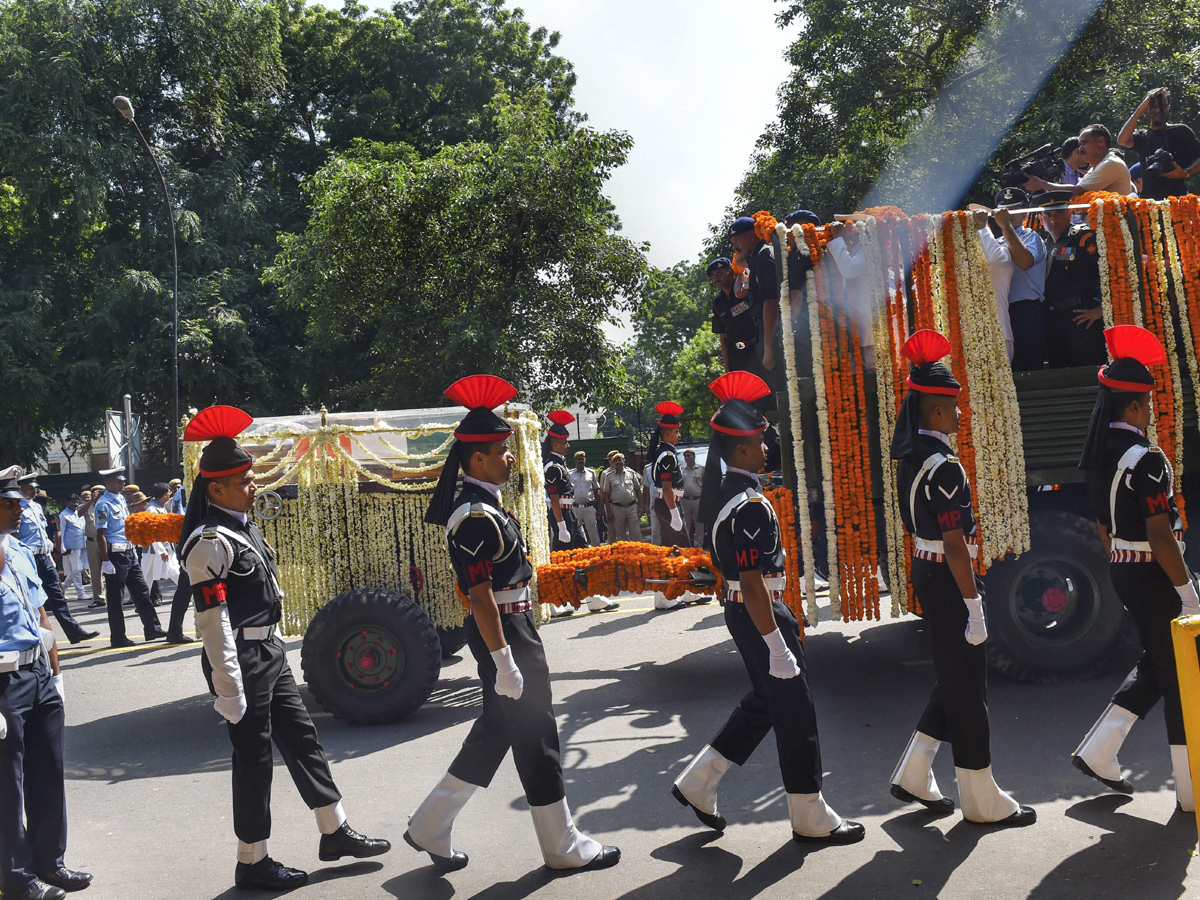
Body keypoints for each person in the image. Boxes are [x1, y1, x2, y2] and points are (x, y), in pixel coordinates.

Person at [410, 376, 619, 874]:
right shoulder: (475, 515)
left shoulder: (484, 506)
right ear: (476, 459)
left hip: (512, 626)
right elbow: (480, 597)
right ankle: (561, 846)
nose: (510, 457)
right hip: (506, 633)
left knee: (500, 731)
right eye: (502, 450)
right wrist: (504, 661)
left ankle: (430, 825)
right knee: (537, 733)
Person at [178, 405, 390, 890]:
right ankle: (252, 861)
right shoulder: (209, 542)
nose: (254, 486)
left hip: (269, 654)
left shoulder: (240, 526)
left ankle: (334, 830)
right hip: (243, 661)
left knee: (303, 741)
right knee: (253, 760)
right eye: (245, 480)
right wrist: (228, 685)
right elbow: (214, 621)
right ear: (216, 489)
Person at [672, 371, 864, 846]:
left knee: (767, 701)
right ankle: (809, 813)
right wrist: (777, 643)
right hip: (759, 612)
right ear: (740, 449)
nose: (765, 447)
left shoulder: (730, 497)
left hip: (748, 610)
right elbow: (754, 582)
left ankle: (699, 782)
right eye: (759, 440)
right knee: (795, 711)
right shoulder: (750, 504)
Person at [887, 329, 1036, 827]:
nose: (959, 414)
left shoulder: (913, 459)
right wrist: (974, 605)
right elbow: (955, 545)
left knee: (956, 675)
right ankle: (980, 799)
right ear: (933, 412)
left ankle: (915, 769)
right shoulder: (944, 465)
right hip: (948, 576)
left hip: (927, 570)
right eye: (952, 407)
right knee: (970, 690)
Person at [1073, 326, 1198, 812]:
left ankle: (1099, 751)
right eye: (1146, 404)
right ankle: (1191, 790)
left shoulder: (1103, 456)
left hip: (1127, 569)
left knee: (1161, 661)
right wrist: (1186, 591)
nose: (1150, 412)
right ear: (1133, 406)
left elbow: (1105, 527)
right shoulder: (1145, 458)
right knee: (1182, 676)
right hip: (1152, 572)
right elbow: (1162, 535)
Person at [0, 465, 93, 900]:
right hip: (4, 680)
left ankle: (49, 862)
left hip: (37, 671)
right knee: (8, 781)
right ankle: (17, 878)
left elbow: (41, 614)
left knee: (48, 771)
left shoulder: (19, 550)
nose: (19, 509)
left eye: (19, 503)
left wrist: (56, 674)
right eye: (9, 504)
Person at [15, 475, 95, 646]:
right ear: (19, 488)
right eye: (30, 488)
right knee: (30, 600)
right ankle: (29, 638)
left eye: (35, 488)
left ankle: (74, 632)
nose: (34, 491)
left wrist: (52, 556)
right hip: (27, 558)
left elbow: (43, 535)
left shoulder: (37, 507)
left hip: (44, 556)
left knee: (57, 596)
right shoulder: (16, 508)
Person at [94, 467, 166, 648]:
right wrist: (105, 560)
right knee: (116, 598)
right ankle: (118, 637)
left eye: (122, 481)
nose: (122, 484)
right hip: (114, 554)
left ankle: (152, 628)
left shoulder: (120, 499)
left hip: (129, 551)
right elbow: (100, 534)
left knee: (142, 591)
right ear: (108, 483)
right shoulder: (103, 504)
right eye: (118, 481)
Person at [1039, 191, 1106, 368]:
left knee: (1089, 370)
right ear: (1041, 218)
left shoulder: (1083, 239)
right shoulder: (1043, 245)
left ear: (1069, 213)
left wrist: (1102, 309)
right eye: (1048, 215)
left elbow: (1106, 273)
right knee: (1059, 372)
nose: (1053, 220)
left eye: (1059, 213)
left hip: (1082, 317)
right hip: (1054, 320)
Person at [992, 187, 1050, 370]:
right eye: (1004, 210)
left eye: (1014, 210)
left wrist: (1006, 227)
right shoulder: (997, 241)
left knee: (1029, 366)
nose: (1008, 215)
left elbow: (1024, 262)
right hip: (1003, 310)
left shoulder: (1031, 237)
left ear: (1025, 213)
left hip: (1026, 310)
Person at [728, 216, 781, 408]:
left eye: (737, 241)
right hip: (763, 331)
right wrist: (743, 266)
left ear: (751, 236)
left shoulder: (764, 256)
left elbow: (770, 303)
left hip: (773, 332)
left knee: (781, 388)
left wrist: (768, 347)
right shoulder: (754, 262)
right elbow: (740, 291)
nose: (735, 247)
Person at [1118, 88, 1200, 201]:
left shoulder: (1181, 131)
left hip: (1178, 201)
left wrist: (1186, 172)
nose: (1158, 110)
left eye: (1163, 106)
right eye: (1153, 107)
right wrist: (1139, 109)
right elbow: (1122, 140)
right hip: (1149, 202)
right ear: (1145, 111)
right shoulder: (1142, 136)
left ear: (1169, 108)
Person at [823, 220, 875, 371]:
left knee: (873, 373)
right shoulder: (859, 249)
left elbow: (849, 270)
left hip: (870, 330)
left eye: (850, 228)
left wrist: (838, 238)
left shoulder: (868, 249)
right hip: (860, 326)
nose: (847, 232)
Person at [1026, 124, 1133, 196]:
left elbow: (1078, 192)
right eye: (1079, 145)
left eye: (1084, 143)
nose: (1080, 149)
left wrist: (1041, 184)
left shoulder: (1111, 163)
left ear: (1101, 141)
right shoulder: (1093, 169)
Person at [974, 208, 1016, 362]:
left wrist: (982, 227)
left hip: (998, 334)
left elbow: (994, 258)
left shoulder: (1003, 251)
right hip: (971, 336)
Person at [648, 401, 689, 553]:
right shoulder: (666, 456)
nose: (678, 435)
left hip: (669, 504)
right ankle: (674, 576)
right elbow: (667, 488)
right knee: (675, 547)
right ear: (667, 434)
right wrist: (674, 514)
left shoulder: (666, 452)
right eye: (676, 432)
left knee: (682, 545)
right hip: (668, 505)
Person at [140, 484, 180, 609]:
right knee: (147, 579)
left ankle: (191, 595)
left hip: (166, 549)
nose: (170, 494)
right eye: (169, 492)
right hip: (153, 552)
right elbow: (151, 532)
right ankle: (141, 604)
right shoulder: (152, 509)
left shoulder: (160, 507)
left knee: (175, 573)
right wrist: (161, 551)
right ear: (164, 495)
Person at [601, 454, 642, 543]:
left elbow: (638, 490)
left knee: (636, 532)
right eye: (616, 461)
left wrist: (641, 506)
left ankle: (639, 553)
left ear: (624, 462)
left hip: (632, 507)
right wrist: (608, 512)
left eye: (620, 460)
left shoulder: (631, 473)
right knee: (621, 534)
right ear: (613, 463)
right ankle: (625, 554)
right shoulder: (609, 476)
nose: (618, 462)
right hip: (617, 508)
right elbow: (606, 495)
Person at [78, 487, 106, 609]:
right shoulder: (87, 506)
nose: (98, 495)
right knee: (95, 571)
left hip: (106, 540)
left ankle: (115, 595)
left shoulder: (106, 503)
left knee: (112, 569)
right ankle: (99, 598)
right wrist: (91, 501)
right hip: (92, 541)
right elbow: (79, 513)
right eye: (96, 493)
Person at [57, 496, 88, 602]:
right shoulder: (63, 515)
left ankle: (61, 589)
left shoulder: (78, 514)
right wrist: (63, 547)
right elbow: (61, 531)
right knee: (76, 570)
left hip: (81, 545)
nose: (75, 504)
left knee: (76, 570)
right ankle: (81, 593)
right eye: (72, 502)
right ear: (67, 502)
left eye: (76, 502)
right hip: (70, 547)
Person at [568, 452, 601, 546]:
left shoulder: (591, 473)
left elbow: (596, 491)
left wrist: (599, 508)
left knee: (593, 532)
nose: (581, 461)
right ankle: (579, 553)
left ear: (585, 460)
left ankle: (598, 553)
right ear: (575, 461)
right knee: (575, 533)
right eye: (579, 459)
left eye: (582, 459)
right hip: (575, 507)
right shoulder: (570, 474)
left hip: (589, 507)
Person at [679, 449, 705, 547]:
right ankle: (686, 546)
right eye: (685, 456)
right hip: (685, 501)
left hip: (698, 500)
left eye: (689, 455)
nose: (687, 458)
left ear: (694, 456)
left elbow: (706, 485)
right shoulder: (681, 470)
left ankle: (698, 547)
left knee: (699, 525)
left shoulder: (701, 469)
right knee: (685, 525)